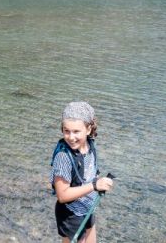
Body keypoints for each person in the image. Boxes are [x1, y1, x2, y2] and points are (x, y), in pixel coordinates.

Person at [50, 101, 113, 242]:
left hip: (87, 208)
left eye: (76, 131)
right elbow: (62, 196)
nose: (71, 137)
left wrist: (99, 182)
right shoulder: (63, 157)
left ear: (89, 129)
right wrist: (94, 186)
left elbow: (90, 173)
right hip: (71, 214)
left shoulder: (90, 146)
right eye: (66, 131)